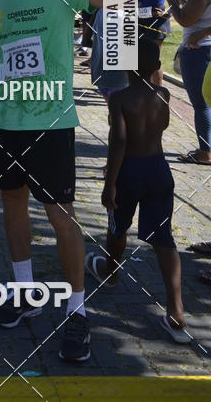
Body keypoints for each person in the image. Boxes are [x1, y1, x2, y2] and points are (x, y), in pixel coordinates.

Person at [0, 0, 104, 363]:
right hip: (2, 120)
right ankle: (25, 291)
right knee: (12, 206)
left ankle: (77, 310)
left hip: (49, 123)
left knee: (61, 215)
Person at [87, 39, 191, 343]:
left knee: (118, 226)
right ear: (158, 67)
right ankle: (176, 311)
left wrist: (110, 183)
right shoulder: (165, 93)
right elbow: (164, 125)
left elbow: (118, 142)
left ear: (125, 68)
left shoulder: (119, 98)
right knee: (164, 238)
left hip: (130, 171)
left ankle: (110, 271)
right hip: (159, 170)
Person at [165, 0, 211, 165]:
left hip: (198, 51)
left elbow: (184, 19)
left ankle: (205, 151)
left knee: (201, 103)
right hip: (204, 47)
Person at [137, 0, 170, 85]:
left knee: (154, 60)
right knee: (139, 58)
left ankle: (157, 93)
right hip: (139, 21)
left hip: (157, 24)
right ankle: (141, 88)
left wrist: (168, 12)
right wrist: (147, 11)